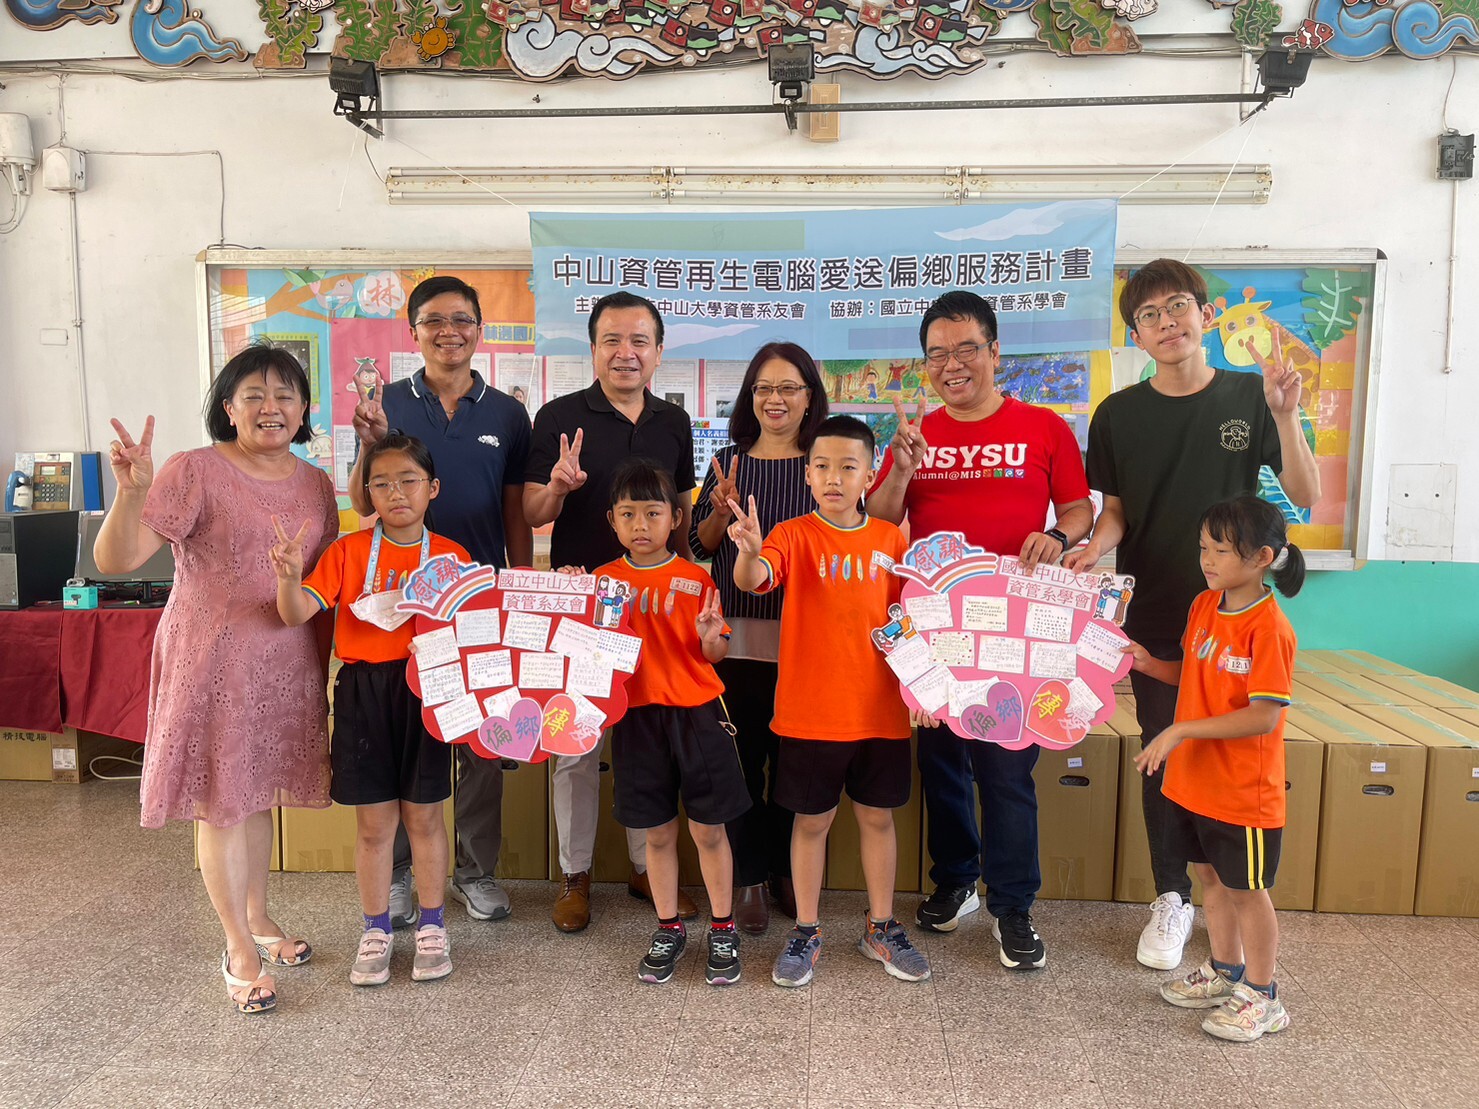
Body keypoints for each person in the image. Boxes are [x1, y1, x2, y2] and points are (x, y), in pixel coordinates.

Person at [1064, 258, 1321, 971]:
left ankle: (1230, 893)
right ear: (1135, 336)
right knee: (1163, 750)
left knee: (1231, 750)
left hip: (1236, 615)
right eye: (1147, 314)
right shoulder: (1118, 413)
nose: (1165, 322)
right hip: (1155, 615)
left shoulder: (1250, 394)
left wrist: (1284, 413)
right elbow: (1114, 513)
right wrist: (1092, 548)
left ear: (1204, 315)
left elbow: (1304, 495)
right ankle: (1173, 894)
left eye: (1177, 306)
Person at [94, 345, 340, 1014]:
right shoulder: (193, 469)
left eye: (286, 394)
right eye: (254, 394)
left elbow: (325, 580)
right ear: (227, 407)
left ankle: (260, 915)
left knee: (255, 795)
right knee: (221, 800)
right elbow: (116, 558)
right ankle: (238, 946)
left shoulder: (316, 484)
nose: (272, 406)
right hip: (212, 661)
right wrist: (132, 493)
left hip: (286, 660)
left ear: (303, 409)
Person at [868, 290, 1093, 970]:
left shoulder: (1043, 428)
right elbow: (879, 520)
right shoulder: (915, 435)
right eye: (936, 353)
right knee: (941, 762)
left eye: (966, 348)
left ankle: (1013, 903)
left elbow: (1080, 509)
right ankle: (955, 877)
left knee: (1005, 767)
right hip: (936, 627)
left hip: (1016, 631)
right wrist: (902, 468)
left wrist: (1055, 535)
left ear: (995, 352)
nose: (951, 364)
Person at [349, 276, 533, 929]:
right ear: (413, 330)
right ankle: (398, 874)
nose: (448, 331)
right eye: (433, 321)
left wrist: (518, 586)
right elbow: (359, 498)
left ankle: (475, 871)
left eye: (461, 320)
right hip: (403, 606)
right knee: (406, 738)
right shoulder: (388, 401)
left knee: (482, 741)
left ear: (479, 329)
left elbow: (515, 510)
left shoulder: (508, 413)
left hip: (478, 601)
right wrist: (371, 440)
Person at [730, 415, 931, 989]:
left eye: (848, 466)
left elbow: (911, 625)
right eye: (821, 466)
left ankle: (881, 925)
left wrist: (922, 690)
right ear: (807, 475)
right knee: (810, 822)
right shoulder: (792, 535)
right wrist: (747, 550)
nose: (834, 478)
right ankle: (808, 930)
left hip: (879, 715)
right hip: (810, 714)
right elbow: (754, 579)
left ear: (871, 474)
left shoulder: (893, 542)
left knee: (876, 818)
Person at [524, 291, 698, 932]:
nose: (626, 353)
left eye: (640, 342)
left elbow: (679, 518)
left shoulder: (673, 423)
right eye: (612, 341)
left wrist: (690, 579)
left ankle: (647, 868)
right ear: (592, 348)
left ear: (658, 351)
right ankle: (574, 876)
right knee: (576, 741)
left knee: (648, 739)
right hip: (580, 606)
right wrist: (558, 488)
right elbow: (531, 515)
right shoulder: (558, 416)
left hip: (655, 606)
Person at [272, 434, 465, 986]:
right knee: (375, 823)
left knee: (425, 816)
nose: (395, 492)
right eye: (381, 483)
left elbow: (474, 635)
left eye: (408, 480)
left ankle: (432, 925)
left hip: (427, 687)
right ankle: (376, 928)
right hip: (362, 691)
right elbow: (293, 615)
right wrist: (288, 578)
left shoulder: (452, 557)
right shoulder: (347, 552)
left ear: (432, 489)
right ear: (367, 491)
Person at [1126, 495, 1304, 1042]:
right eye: (1204, 547)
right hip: (1194, 782)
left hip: (1242, 791)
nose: (1207, 559)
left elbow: (1262, 716)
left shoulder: (1269, 628)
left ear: (1261, 558)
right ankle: (1225, 971)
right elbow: (1193, 674)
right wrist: (1146, 661)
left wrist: (1178, 731)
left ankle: (1264, 993)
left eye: (1221, 550)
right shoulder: (1205, 606)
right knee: (1210, 877)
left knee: (1247, 888)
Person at [590, 458, 752, 985]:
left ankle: (723, 928)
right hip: (636, 722)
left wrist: (709, 633)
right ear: (611, 520)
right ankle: (669, 927)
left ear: (676, 518)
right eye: (628, 514)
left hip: (698, 718)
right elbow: (587, 651)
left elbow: (716, 650)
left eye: (653, 513)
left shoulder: (693, 578)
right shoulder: (602, 582)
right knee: (656, 835)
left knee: (709, 830)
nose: (641, 525)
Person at [688, 341, 829, 933]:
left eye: (788, 388)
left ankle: (784, 873)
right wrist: (719, 510)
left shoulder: (825, 461)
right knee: (741, 765)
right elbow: (697, 548)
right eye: (764, 388)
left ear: (808, 398)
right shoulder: (728, 459)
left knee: (793, 766)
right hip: (735, 642)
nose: (775, 399)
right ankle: (748, 878)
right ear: (750, 397)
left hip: (806, 642)